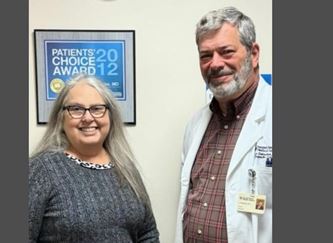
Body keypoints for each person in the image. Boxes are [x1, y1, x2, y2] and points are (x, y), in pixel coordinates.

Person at [175, 6, 272, 243]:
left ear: (254, 53)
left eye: (226, 52)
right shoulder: (196, 124)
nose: (215, 64)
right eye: (205, 55)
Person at [29, 73, 160, 242]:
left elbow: (147, 233)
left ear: (110, 116)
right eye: (76, 109)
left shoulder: (125, 167)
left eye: (97, 109)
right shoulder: (41, 170)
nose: (88, 118)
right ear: (61, 118)